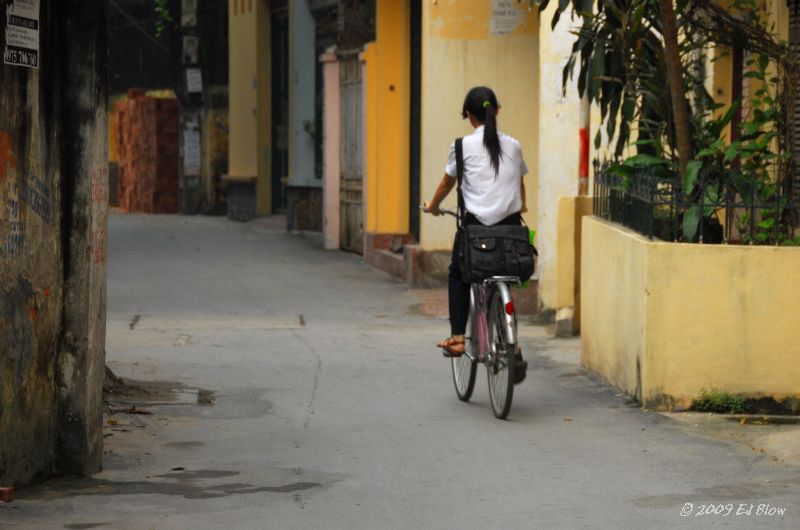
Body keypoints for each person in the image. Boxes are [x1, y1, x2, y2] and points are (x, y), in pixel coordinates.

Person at [423, 86, 528, 382]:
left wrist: (432, 206)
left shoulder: (462, 146)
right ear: (497, 110)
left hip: (476, 234)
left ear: (469, 116)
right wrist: (522, 205)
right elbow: (519, 184)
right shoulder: (515, 146)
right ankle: (513, 342)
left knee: (457, 273)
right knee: (506, 275)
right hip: (512, 234)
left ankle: (457, 337)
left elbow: (446, 183)